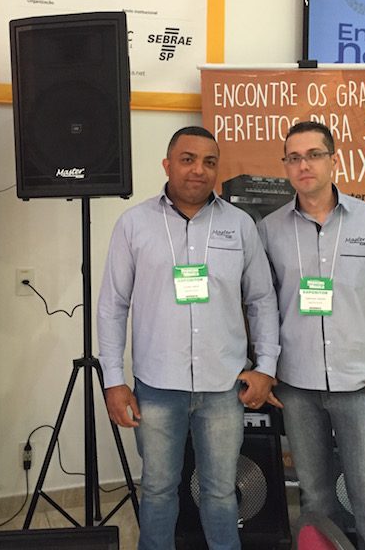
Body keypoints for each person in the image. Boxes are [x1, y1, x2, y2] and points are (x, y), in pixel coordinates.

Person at [97, 125, 281, 550]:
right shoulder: (134, 224)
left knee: (220, 492)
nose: (199, 169)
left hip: (223, 387)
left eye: (209, 162)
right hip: (157, 386)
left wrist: (266, 367)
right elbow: (112, 306)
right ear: (167, 165)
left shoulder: (239, 225)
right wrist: (113, 380)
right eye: (187, 159)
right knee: (159, 490)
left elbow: (262, 299)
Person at [257, 121, 365, 550]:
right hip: (297, 388)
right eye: (294, 158)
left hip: (360, 386)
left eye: (314, 155)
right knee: (315, 499)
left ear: (334, 160)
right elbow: (260, 304)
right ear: (285, 166)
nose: (304, 165)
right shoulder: (270, 229)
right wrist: (265, 368)